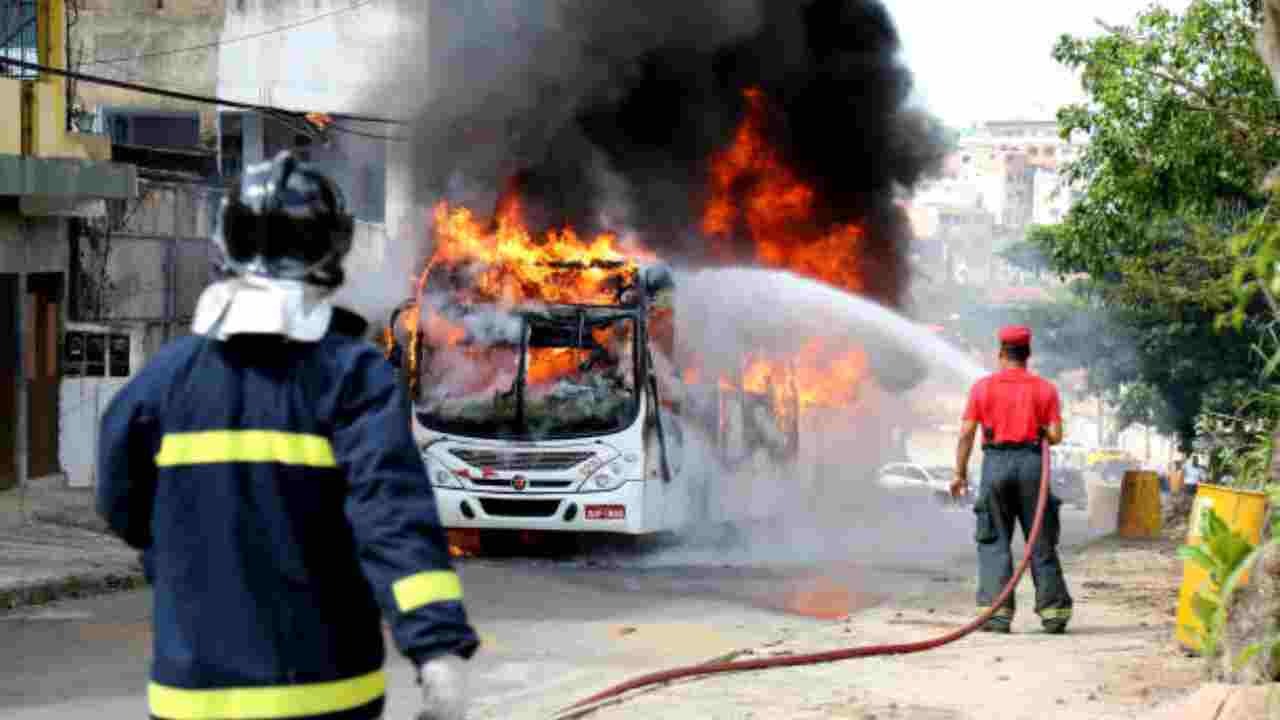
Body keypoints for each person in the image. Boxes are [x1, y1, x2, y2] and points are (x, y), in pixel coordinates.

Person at [96, 151, 479, 720]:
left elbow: (122, 508)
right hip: (324, 699)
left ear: (225, 246)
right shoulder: (350, 376)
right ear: (333, 250)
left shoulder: (164, 381)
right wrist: (437, 648)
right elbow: (391, 516)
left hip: (190, 698)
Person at [950, 325, 1074, 634]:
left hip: (995, 464)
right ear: (1028, 354)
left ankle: (996, 614)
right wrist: (1041, 431)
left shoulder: (982, 388)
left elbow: (966, 433)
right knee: (1041, 539)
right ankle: (1054, 612)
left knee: (994, 539)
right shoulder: (1046, 389)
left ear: (1001, 353)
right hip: (1034, 464)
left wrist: (959, 473)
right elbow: (1056, 435)